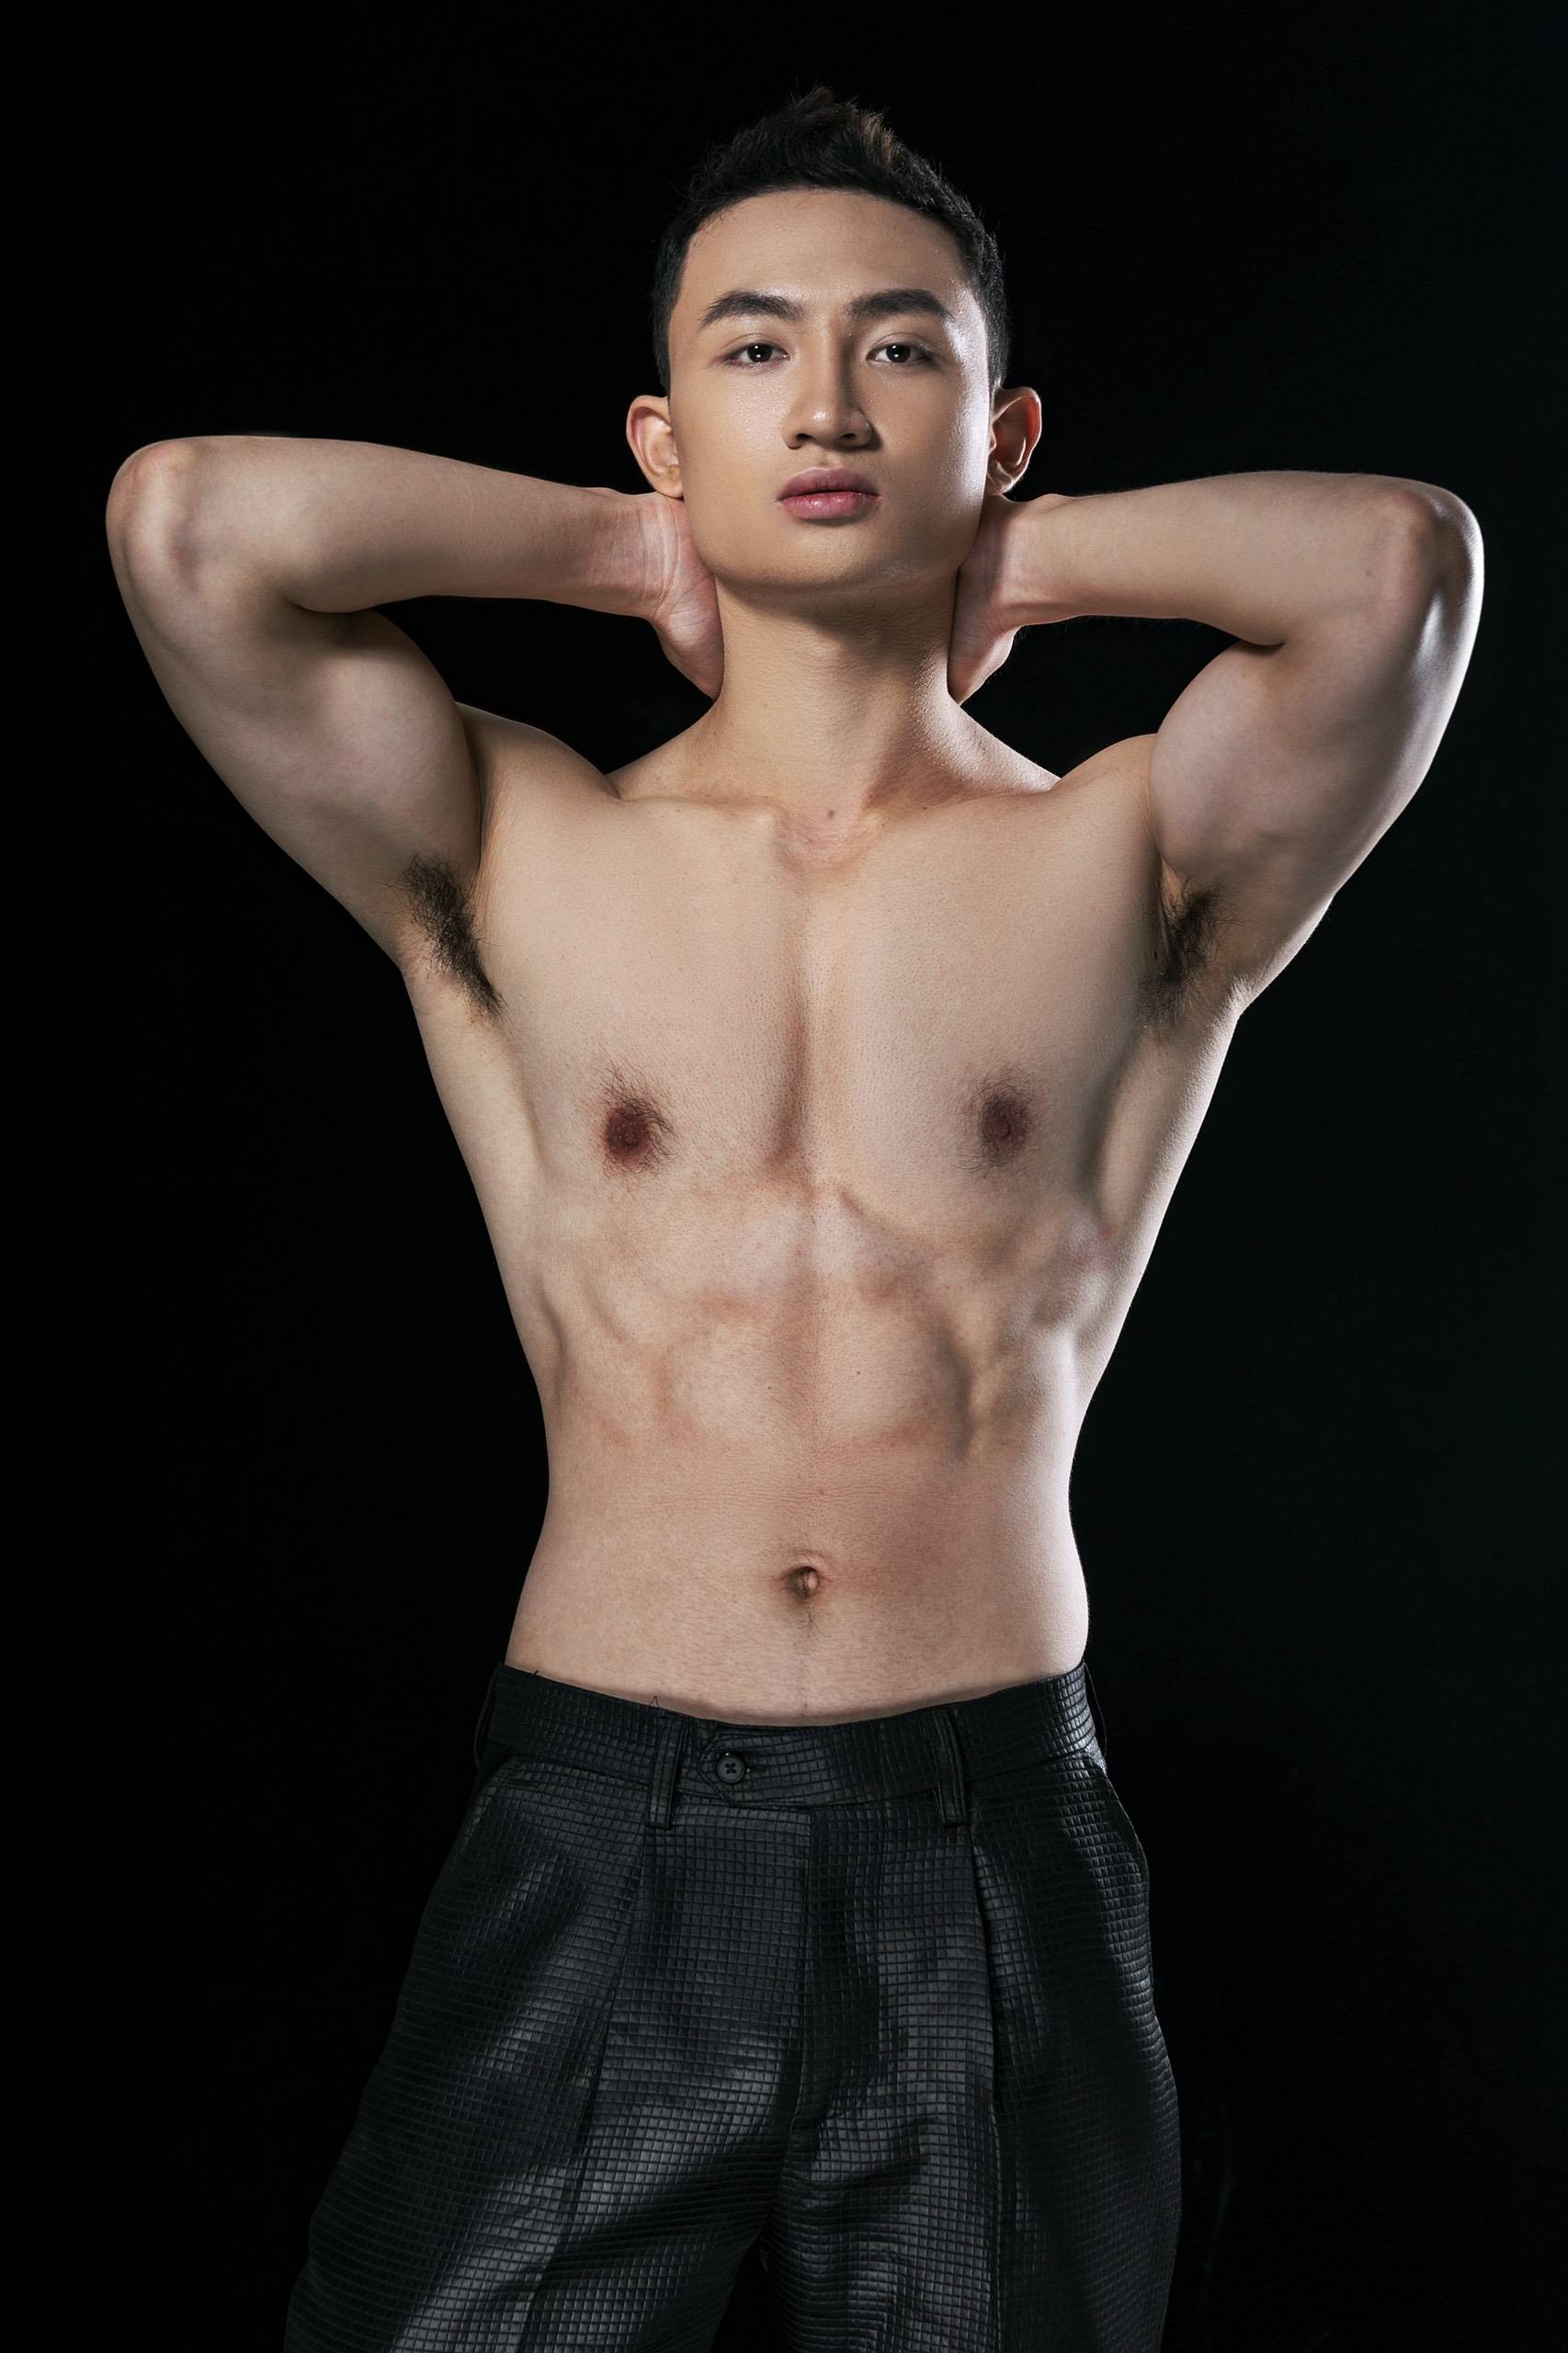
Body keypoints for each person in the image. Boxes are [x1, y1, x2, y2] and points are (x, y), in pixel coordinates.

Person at [105, 79, 1481, 2353]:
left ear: (1000, 424)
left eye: (898, 348)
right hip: (599, 1826)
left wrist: (1008, 558)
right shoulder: (517, 840)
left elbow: (1399, 567)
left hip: (985, 1844)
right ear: (666, 432)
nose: (825, 404)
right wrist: (625, 551)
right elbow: (185, 526)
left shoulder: (1123, 853)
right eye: (752, 349)